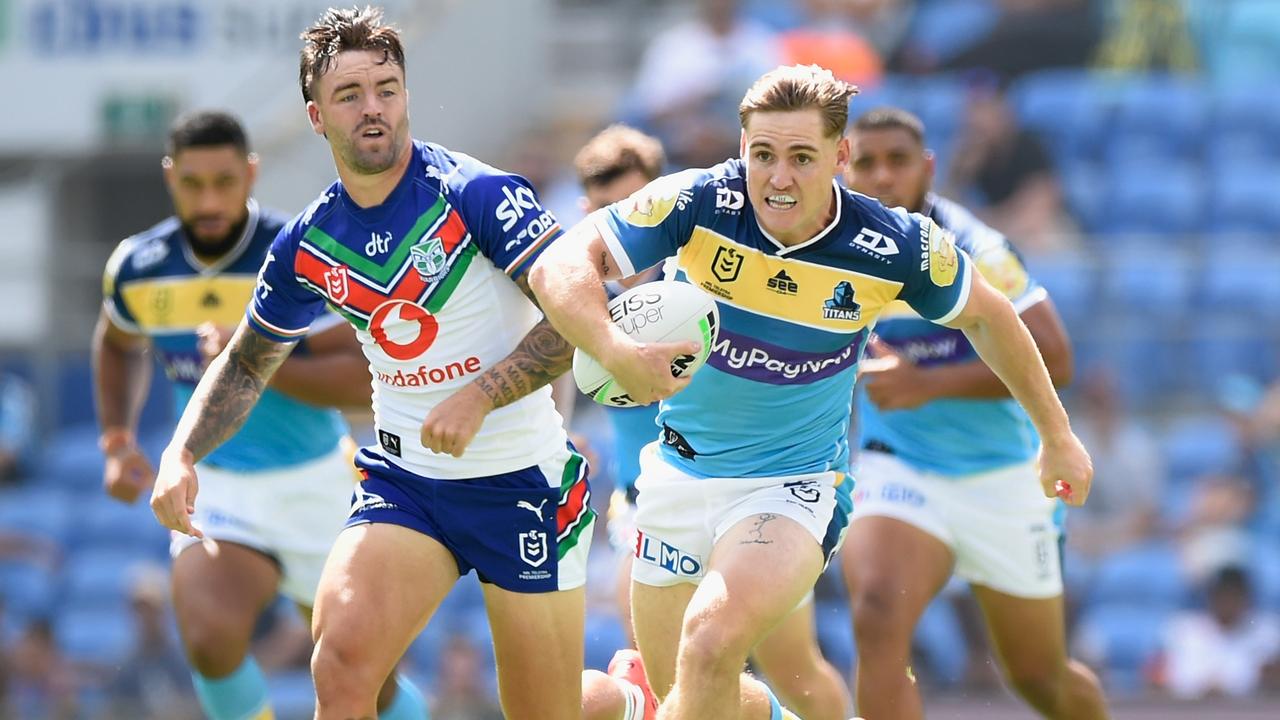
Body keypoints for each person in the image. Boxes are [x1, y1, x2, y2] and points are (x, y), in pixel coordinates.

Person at [530, 64, 1094, 720]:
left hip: (792, 489)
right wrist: (614, 349)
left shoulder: (891, 245)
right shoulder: (697, 201)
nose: (779, 177)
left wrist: (1057, 436)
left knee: (710, 644)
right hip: (676, 479)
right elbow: (559, 264)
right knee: (688, 689)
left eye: (802, 157)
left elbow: (991, 315)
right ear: (743, 151)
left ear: (839, 157)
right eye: (763, 155)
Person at [147, 8, 652, 720]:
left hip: (521, 481)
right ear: (318, 117)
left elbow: (578, 319)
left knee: (547, 711)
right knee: (343, 664)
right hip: (407, 483)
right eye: (350, 94)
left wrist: (480, 396)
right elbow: (246, 361)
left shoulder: (481, 195)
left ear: (407, 95)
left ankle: (632, 700)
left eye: (387, 87)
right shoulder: (308, 242)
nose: (373, 107)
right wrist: (181, 453)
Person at [93, 109, 428, 719]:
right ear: (171, 178)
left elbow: (361, 380)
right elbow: (116, 343)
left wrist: (251, 356)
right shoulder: (139, 268)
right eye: (194, 184)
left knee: (366, 678)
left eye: (225, 181)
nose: (210, 198)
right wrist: (117, 441)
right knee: (208, 636)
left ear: (251, 174)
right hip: (218, 486)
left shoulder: (302, 254)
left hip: (320, 484)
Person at [573, 123, 849, 720]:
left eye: (633, 203)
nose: (624, 223)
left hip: (754, 491)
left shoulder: (711, 269)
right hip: (651, 492)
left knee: (790, 665)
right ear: (588, 211)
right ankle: (642, 697)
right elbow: (549, 370)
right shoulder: (584, 301)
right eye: (604, 208)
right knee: (672, 655)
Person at [840, 106, 1107, 719]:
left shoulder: (977, 248)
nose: (882, 176)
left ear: (928, 167)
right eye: (867, 162)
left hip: (1004, 478)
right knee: (876, 612)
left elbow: (1057, 359)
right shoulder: (830, 253)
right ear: (843, 170)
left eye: (898, 161)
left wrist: (927, 383)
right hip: (900, 470)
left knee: (1039, 678)